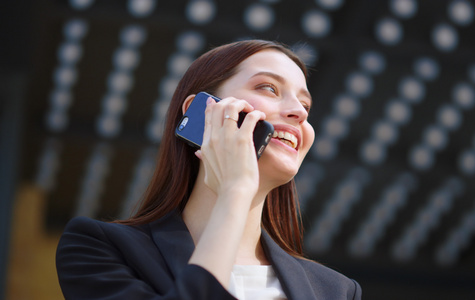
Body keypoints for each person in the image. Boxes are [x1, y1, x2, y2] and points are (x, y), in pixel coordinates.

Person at [56, 39, 362, 300]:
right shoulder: (100, 249)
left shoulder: (336, 291)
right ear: (202, 111)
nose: (298, 113)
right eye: (269, 88)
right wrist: (234, 192)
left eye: (305, 106)